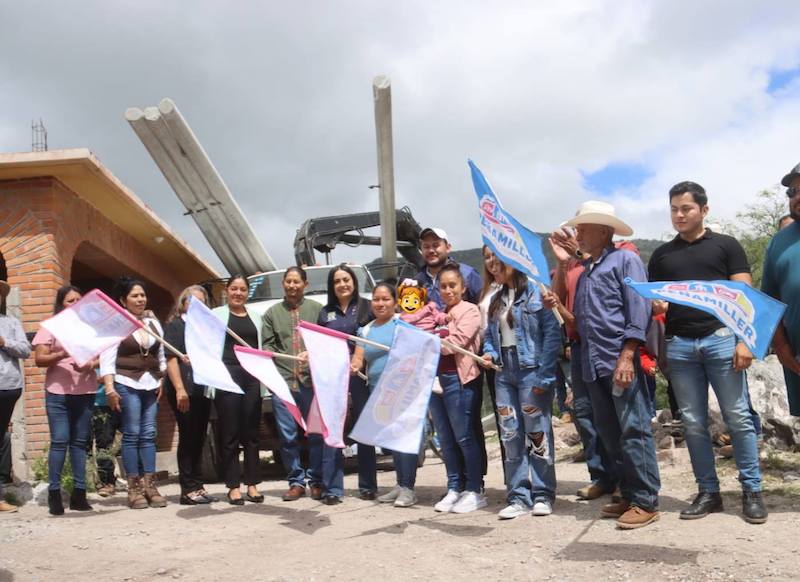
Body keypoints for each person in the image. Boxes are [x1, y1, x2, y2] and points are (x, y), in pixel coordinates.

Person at [648, 181, 766, 524]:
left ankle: (752, 491)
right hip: (680, 345)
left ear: (704, 209)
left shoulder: (726, 246)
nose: (679, 215)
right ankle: (708, 492)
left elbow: (745, 299)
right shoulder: (661, 255)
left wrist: (745, 342)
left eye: (686, 208)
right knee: (694, 422)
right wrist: (658, 305)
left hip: (721, 339)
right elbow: (659, 301)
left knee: (738, 417)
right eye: (674, 209)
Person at [555, 201, 661, 529]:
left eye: (583, 228)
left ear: (603, 231)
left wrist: (628, 354)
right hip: (593, 362)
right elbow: (585, 320)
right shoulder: (587, 270)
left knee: (634, 428)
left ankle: (646, 500)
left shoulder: (626, 260)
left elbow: (638, 309)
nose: (578, 234)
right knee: (611, 433)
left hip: (618, 359)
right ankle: (628, 493)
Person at [543, 229, 621, 502]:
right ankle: (601, 476)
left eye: (579, 229)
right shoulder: (567, 264)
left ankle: (626, 479)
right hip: (578, 345)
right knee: (586, 413)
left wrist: (578, 252)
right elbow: (557, 302)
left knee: (615, 415)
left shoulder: (618, 254)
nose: (575, 234)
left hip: (607, 344)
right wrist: (564, 263)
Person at [481, 262, 561, 519]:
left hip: (531, 369)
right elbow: (490, 337)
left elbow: (552, 335)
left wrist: (545, 375)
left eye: (498, 260)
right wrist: (490, 353)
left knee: (537, 431)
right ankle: (517, 496)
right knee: (510, 433)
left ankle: (543, 494)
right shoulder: (496, 298)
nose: (493, 266)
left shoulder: (539, 292)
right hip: (504, 372)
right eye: (489, 262)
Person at [100, 277, 167, 510]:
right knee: (132, 433)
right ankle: (134, 489)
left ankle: (151, 485)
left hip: (151, 383)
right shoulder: (115, 325)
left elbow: (160, 355)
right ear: (123, 300)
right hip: (127, 382)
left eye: (142, 295)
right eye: (135, 296)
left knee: (149, 434)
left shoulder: (154, 324)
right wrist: (109, 388)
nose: (140, 299)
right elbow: (106, 359)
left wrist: (162, 379)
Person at [350, 283, 419, 507]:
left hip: (402, 390)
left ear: (395, 302)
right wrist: (354, 365)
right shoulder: (366, 330)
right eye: (376, 299)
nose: (380, 303)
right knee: (391, 439)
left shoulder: (403, 325)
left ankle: (409, 488)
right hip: (378, 393)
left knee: (402, 438)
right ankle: (400, 483)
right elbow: (359, 358)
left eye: (385, 299)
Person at [33, 285, 97, 515]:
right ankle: (55, 494)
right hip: (58, 391)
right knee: (60, 441)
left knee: (80, 443)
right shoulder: (51, 326)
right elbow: (39, 359)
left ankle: (80, 495)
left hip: (86, 390)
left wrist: (90, 364)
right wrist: (62, 354)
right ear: (62, 303)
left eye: (80, 299)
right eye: (71, 300)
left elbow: (102, 357)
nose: (76, 303)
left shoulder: (91, 328)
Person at [262, 266, 324, 502]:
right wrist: (280, 359)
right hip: (283, 384)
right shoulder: (272, 313)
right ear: (283, 284)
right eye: (288, 281)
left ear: (305, 284)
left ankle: (316, 481)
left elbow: (324, 340)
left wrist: (312, 353)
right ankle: (296, 482)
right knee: (287, 437)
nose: (292, 286)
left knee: (316, 434)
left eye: (297, 282)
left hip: (312, 384)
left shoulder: (316, 310)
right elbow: (267, 347)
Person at [430, 264, 487, 514]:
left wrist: (426, 341)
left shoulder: (470, 310)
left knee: (465, 436)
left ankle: (475, 489)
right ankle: (454, 486)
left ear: (463, 287)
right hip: (435, 381)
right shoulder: (436, 313)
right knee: (446, 438)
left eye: (452, 285)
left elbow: (456, 343)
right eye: (443, 286)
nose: (448, 289)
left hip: (459, 379)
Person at [316, 264, 374, 504]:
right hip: (333, 380)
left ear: (354, 282)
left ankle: (368, 486)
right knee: (333, 432)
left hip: (361, 378)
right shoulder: (325, 312)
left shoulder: (367, 307)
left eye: (346, 279)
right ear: (332, 286)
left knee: (364, 430)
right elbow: (318, 342)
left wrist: (361, 361)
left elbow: (375, 337)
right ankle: (333, 489)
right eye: (337, 281)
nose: (342, 284)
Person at [212, 275, 265, 505]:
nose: (238, 293)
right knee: (230, 433)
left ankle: (252, 484)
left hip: (252, 376)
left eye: (243, 289)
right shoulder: (216, 315)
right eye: (234, 289)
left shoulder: (257, 317)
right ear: (227, 290)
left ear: (247, 293)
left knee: (251, 433)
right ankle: (233, 485)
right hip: (228, 375)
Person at [163, 285, 215, 505]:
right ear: (183, 304)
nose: (197, 306)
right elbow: (171, 359)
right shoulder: (175, 326)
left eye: (202, 302)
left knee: (199, 437)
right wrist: (180, 389)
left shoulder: (205, 328)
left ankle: (198, 484)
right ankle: (187, 489)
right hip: (184, 389)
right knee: (188, 436)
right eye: (192, 301)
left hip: (202, 388)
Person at [762, 163, 800, 420]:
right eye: (792, 191)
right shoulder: (780, 241)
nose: (797, 197)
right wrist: (783, 349)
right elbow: (770, 301)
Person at [0, 280, 30, 513]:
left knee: (1, 437)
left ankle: (1, 493)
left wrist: (5, 342)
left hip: (7, 386)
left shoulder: (11, 323)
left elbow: (26, 350)